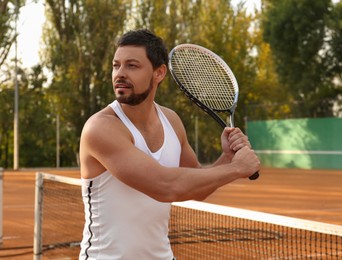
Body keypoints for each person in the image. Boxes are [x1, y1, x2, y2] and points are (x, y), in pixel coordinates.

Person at [78, 29, 260, 260]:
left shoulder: (171, 121)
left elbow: (196, 187)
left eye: (132, 66)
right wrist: (236, 168)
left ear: (159, 73)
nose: (120, 74)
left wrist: (227, 158)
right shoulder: (101, 128)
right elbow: (165, 187)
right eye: (116, 65)